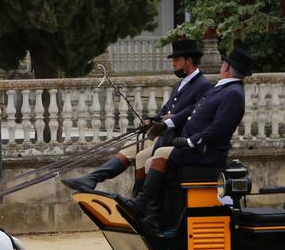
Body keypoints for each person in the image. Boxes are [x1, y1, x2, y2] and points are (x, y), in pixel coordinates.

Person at [116, 46, 254, 235]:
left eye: (223, 63)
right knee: (146, 157)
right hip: (193, 146)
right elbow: (194, 111)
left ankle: (142, 206)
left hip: (206, 153)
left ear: (227, 68)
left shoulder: (233, 94)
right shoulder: (224, 88)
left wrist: (191, 141)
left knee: (160, 155)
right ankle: (149, 215)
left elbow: (220, 127)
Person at [61, 39, 210, 194]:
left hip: (177, 139)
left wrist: (170, 121)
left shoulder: (203, 84)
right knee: (130, 147)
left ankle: (136, 200)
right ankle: (93, 180)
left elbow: (194, 111)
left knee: (140, 155)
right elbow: (166, 109)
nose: (173, 64)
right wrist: (152, 119)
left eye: (176, 60)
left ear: (189, 60)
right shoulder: (180, 84)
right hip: (165, 136)